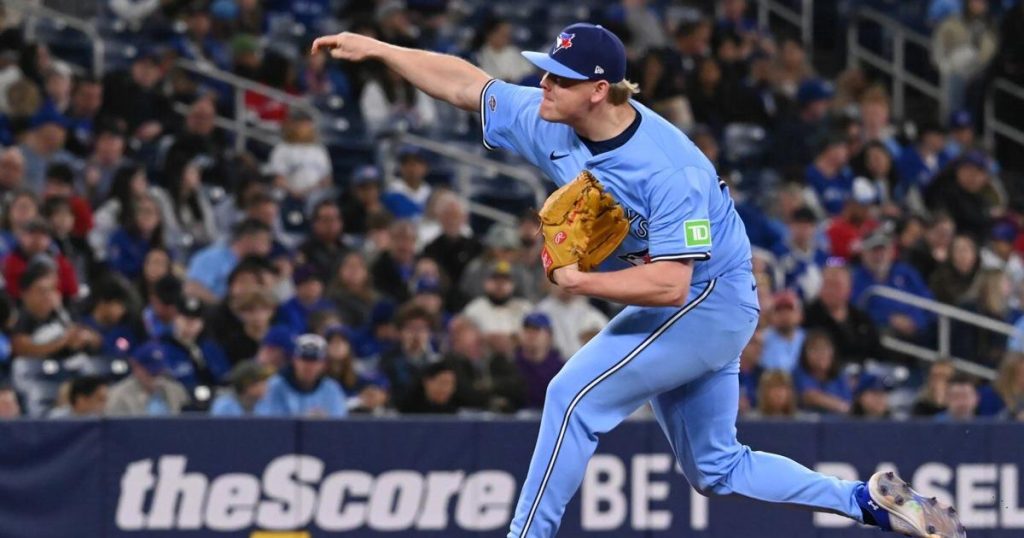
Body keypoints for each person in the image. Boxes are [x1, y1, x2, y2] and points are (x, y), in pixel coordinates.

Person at [312, 23, 964, 538]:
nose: (543, 84)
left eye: (559, 78)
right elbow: (468, 86)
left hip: (709, 296)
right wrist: (382, 50)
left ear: (598, 90)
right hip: (694, 298)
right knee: (715, 468)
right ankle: (865, 501)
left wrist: (578, 282)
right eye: (545, 72)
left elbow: (671, 286)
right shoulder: (553, 117)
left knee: (571, 397)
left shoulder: (669, 170)